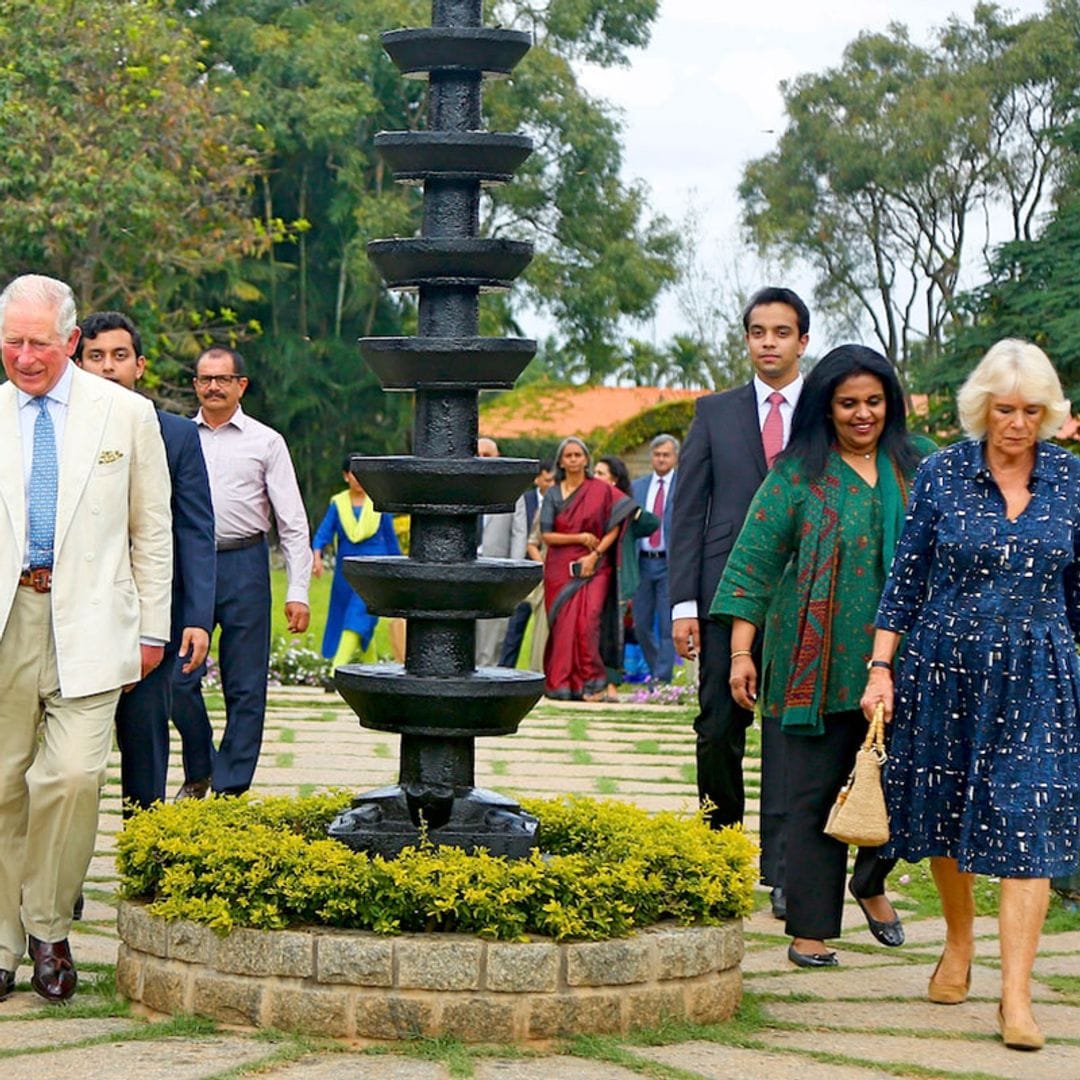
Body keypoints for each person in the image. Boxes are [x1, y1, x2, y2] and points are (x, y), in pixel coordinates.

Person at [861, 339, 1080, 1051]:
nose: (1016, 423)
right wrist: (880, 668)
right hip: (944, 664)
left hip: (1038, 674)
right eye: (1004, 408)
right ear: (982, 407)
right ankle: (959, 943)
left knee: (1031, 825)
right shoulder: (942, 474)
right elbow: (907, 578)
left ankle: (1016, 996)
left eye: (1030, 411)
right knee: (949, 809)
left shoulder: (1071, 482)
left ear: (1047, 414)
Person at [713, 344, 932, 968]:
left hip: (905, 664)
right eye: (848, 403)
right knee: (811, 798)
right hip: (815, 664)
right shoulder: (797, 474)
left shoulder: (918, 472)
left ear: (891, 402)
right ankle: (810, 930)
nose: (863, 414)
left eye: (873, 401)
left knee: (906, 786)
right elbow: (752, 565)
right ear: (826, 407)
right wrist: (740, 654)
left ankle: (870, 880)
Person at [0, 274, 172, 1003]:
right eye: (13, 340)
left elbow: (152, 527)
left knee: (71, 778)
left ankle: (47, 925)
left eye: (41, 341)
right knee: (5, 784)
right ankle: (5, 943)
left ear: (71, 341)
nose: (26, 356)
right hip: (9, 620)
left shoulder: (125, 415)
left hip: (95, 623)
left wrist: (154, 628)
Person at [669, 286, 810, 919]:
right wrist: (683, 605)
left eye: (782, 332)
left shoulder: (825, 414)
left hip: (809, 596)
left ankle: (783, 870)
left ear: (802, 341)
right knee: (718, 727)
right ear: (747, 340)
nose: (769, 343)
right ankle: (718, 853)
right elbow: (687, 511)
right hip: (727, 595)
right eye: (758, 332)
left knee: (788, 736)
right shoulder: (715, 413)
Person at [76, 312, 216, 815]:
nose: (108, 368)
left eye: (119, 356)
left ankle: (144, 851)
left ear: (141, 365)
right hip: (77, 612)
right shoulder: (61, 432)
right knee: (72, 757)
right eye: (95, 357)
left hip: (151, 614)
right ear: (77, 363)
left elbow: (196, 530)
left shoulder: (176, 435)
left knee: (145, 739)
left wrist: (197, 616)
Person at [171, 345, 312, 798]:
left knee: (246, 684)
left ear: (241, 385)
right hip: (188, 566)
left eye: (223, 379)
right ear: (195, 385)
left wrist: (299, 590)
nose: (213, 387)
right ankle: (201, 765)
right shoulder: (174, 436)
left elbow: (292, 523)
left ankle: (230, 786)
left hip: (245, 565)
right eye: (205, 379)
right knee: (175, 677)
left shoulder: (265, 441)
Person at [540, 437, 623, 700]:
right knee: (564, 626)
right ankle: (563, 684)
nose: (574, 459)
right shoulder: (553, 493)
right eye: (569, 455)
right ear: (561, 461)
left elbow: (617, 524)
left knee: (587, 622)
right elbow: (546, 535)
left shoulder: (601, 490)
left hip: (596, 566)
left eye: (578, 455)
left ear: (586, 459)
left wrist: (595, 553)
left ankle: (593, 683)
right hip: (559, 568)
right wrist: (580, 538)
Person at [312, 457, 402, 667]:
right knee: (354, 619)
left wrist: (398, 576)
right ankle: (370, 668)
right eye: (354, 474)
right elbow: (323, 534)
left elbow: (391, 540)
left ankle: (336, 670)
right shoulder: (338, 503)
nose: (360, 480)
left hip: (374, 572)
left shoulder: (379, 502)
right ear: (346, 476)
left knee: (357, 615)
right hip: (347, 573)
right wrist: (316, 556)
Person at [595, 455, 660, 701]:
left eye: (601, 473)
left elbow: (651, 523)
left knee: (614, 633)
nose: (596, 477)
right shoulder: (591, 502)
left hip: (620, 579)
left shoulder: (624, 508)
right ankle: (594, 684)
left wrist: (629, 508)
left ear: (614, 479)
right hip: (593, 576)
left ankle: (611, 685)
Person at [475, 437, 529, 667]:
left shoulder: (511, 492)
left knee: (491, 637)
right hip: (462, 569)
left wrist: (512, 572)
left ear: (498, 458)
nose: (483, 459)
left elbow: (519, 534)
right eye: (479, 454)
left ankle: (485, 681)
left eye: (488, 455)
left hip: (495, 571)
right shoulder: (457, 488)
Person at [630, 434, 678, 683]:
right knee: (641, 624)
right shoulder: (637, 487)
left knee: (669, 625)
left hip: (669, 563)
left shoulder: (684, 486)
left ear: (675, 458)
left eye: (666, 455)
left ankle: (661, 679)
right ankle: (655, 668)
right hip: (642, 563)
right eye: (657, 454)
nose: (661, 459)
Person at [499, 460, 555, 668]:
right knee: (515, 626)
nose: (551, 483)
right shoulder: (526, 500)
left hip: (548, 575)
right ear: (537, 479)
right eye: (547, 479)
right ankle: (505, 667)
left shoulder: (558, 500)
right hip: (525, 572)